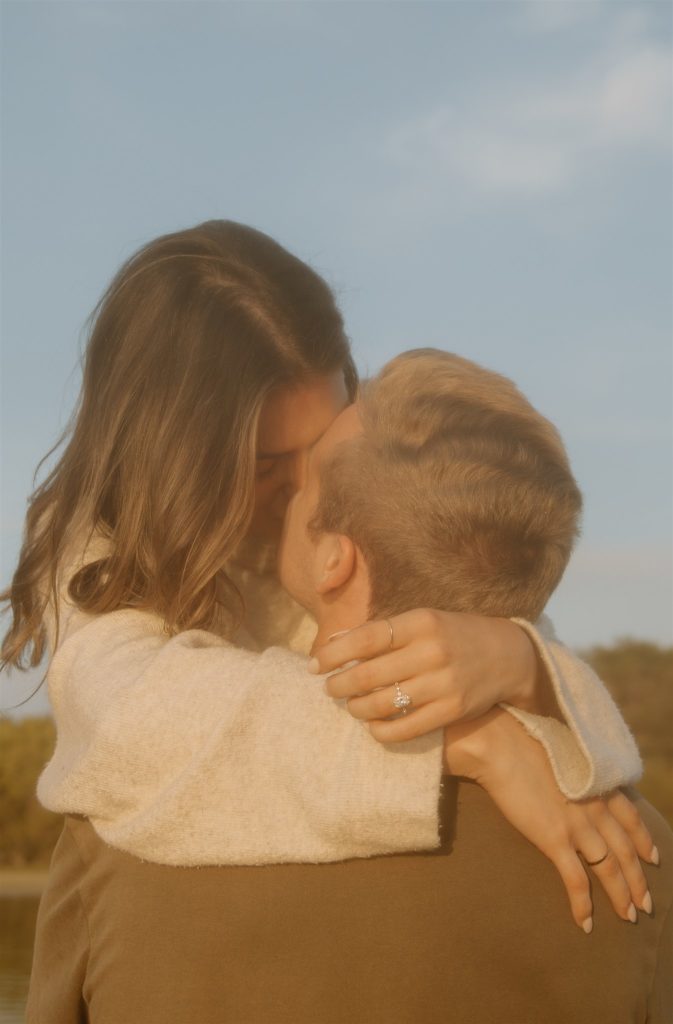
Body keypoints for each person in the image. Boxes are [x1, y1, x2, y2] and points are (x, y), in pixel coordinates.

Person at [25, 350, 671, 1024]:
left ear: (334, 558)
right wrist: (519, 669)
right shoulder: (636, 854)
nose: (279, 488)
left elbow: (121, 695)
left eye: (304, 475)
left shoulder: (124, 834)